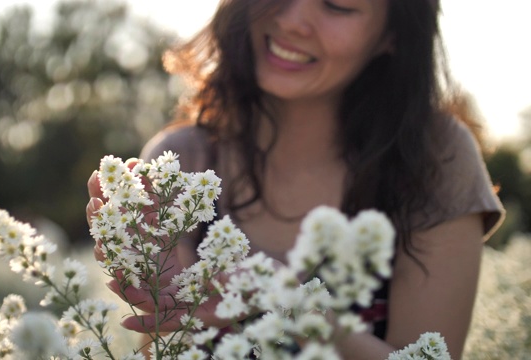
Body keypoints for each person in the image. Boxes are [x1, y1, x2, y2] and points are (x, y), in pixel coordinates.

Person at [86, 0, 504, 358]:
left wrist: (292, 306)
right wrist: (148, 273)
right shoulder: (183, 161)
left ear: (392, 35)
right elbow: (165, 346)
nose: (291, 20)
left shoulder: (435, 158)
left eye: (338, 5)